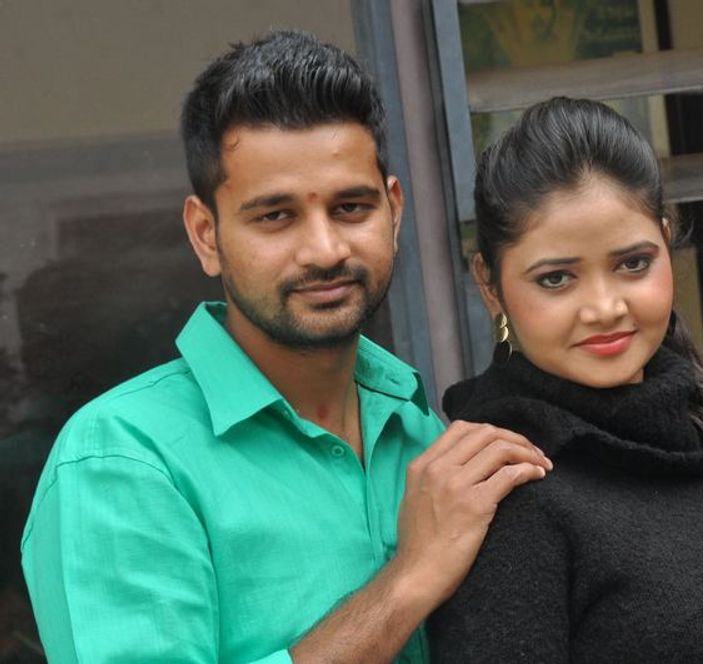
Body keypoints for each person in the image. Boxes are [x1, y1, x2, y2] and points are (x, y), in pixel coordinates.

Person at [19, 31, 554, 664]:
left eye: (350, 207)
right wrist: (408, 581)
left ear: (393, 210)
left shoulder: (424, 435)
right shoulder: (123, 459)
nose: (324, 250)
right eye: (275, 216)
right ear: (206, 235)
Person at [428, 98, 703, 663]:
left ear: (666, 245)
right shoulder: (503, 489)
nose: (605, 308)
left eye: (632, 264)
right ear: (490, 284)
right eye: (556, 279)